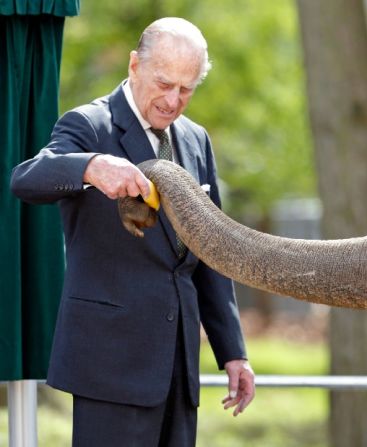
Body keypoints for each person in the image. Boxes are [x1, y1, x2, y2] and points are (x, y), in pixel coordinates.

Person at [10, 17, 255, 446]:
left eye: (186, 88)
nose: (173, 100)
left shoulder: (196, 140)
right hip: (110, 366)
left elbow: (211, 253)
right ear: (134, 65)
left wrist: (233, 351)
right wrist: (90, 166)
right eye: (164, 83)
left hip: (179, 364)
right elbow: (26, 179)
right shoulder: (89, 125)